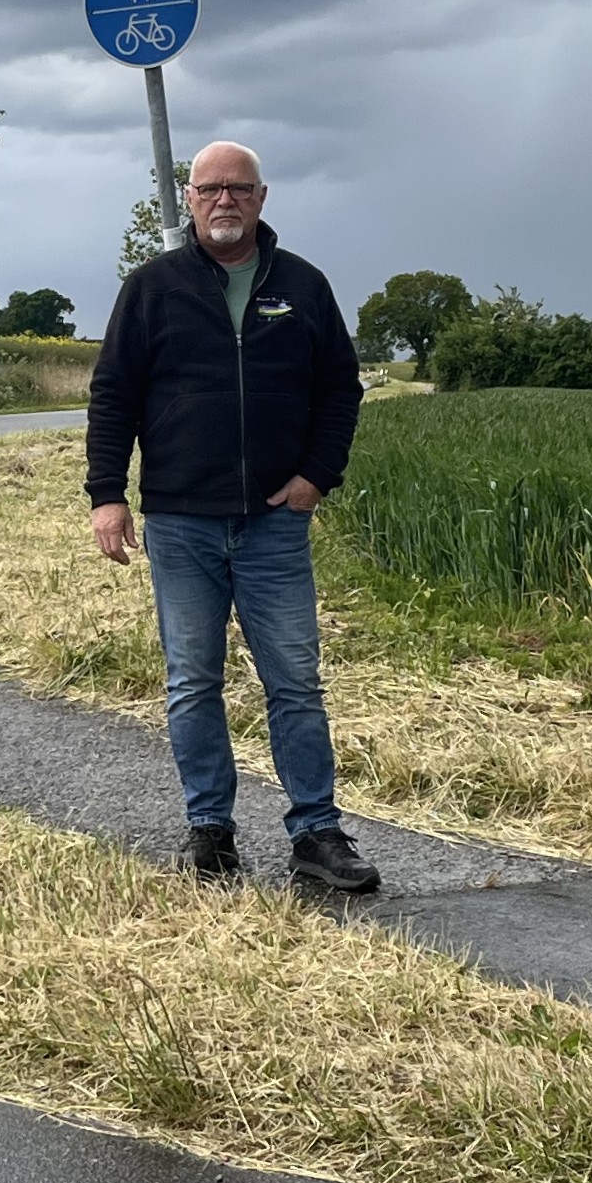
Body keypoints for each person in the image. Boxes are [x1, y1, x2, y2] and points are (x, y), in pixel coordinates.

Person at [84, 140, 380, 895]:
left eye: (239, 189)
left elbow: (339, 390)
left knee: (295, 681)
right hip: (181, 522)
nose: (225, 200)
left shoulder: (303, 286)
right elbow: (113, 395)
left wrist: (317, 476)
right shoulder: (152, 288)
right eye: (210, 188)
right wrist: (106, 494)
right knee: (192, 680)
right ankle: (209, 830)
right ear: (189, 198)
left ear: (262, 197)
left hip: (273, 523)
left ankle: (316, 832)